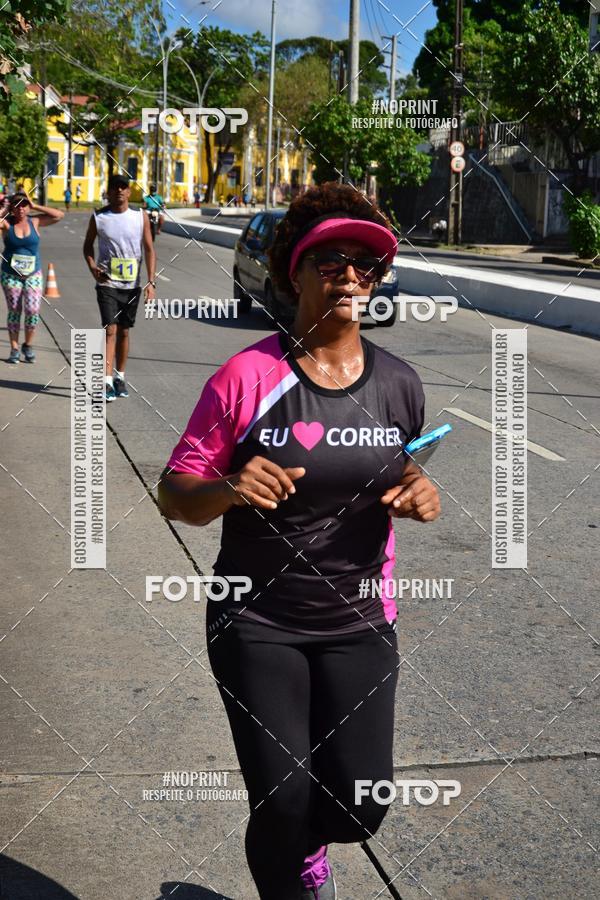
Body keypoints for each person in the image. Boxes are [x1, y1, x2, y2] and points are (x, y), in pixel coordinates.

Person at [158, 182, 441, 900]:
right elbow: (175, 492)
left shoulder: (401, 384)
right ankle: (294, 879)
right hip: (258, 622)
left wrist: (418, 486)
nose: (351, 276)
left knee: (361, 803)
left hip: (359, 624)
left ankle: (311, 844)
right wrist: (227, 487)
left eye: (367, 266)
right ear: (297, 271)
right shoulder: (248, 376)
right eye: (333, 260)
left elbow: (395, 459)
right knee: (283, 801)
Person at [83, 174, 156, 401]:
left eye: (123, 188)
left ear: (130, 191)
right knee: (110, 329)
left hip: (131, 285)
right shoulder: (99, 217)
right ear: (109, 191)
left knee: (124, 331)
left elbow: (149, 249)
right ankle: (105, 382)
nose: (119, 192)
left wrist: (151, 282)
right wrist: (93, 267)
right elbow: (87, 246)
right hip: (107, 284)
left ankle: (119, 377)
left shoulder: (139, 216)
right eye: (115, 188)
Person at [1, 189, 64, 363]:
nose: (21, 208)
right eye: (17, 205)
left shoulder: (35, 221)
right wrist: (6, 210)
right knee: (14, 310)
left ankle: (27, 345)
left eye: (24, 205)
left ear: (28, 207)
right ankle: (14, 348)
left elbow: (59, 215)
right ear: (13, 208)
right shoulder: (7, 224)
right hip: (10, 275)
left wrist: (35, 205)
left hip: (32, 274)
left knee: (32, 310)